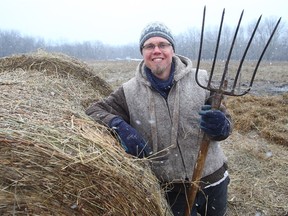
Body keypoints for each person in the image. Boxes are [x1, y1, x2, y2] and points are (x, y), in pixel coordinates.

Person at [85, 22, 232, 216]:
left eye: (163, 44)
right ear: (142, 52)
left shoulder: (202, 80)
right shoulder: (129, 92)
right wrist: (119, 126)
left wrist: (223, 126)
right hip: (170, 190)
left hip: (213, 180)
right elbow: (94, 111)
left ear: (172, 49)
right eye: (149, 46)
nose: (157, 51)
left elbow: (226, 120)